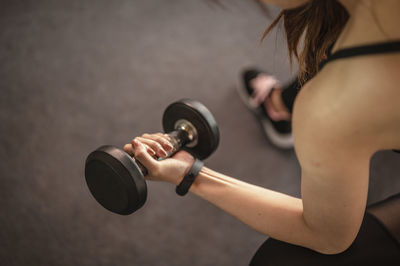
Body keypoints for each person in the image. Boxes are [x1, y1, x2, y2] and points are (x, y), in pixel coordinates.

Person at [123, 0, 400, 263]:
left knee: (278, 261)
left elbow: (327, 236)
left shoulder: (330, 108)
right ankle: (281, 105)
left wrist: (189, 174)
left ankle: (282, 106)